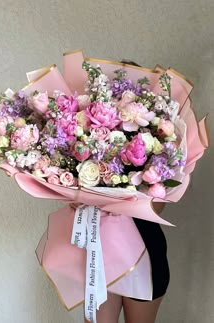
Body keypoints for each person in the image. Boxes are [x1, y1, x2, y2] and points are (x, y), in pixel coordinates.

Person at [85, 60, 170, 323]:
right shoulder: (88, 142)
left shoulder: (158, 145)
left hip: (145, 249)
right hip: (100, 252)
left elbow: (157, 208)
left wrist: (124, 198)